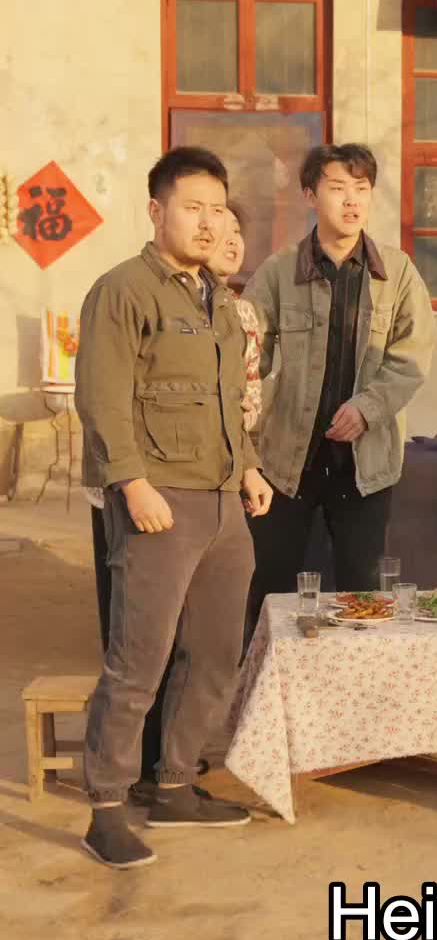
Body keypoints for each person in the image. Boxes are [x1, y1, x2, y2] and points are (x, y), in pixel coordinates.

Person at [75, 151, 274, 870]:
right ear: (157, 211)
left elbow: (227, 401)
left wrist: (248, 469)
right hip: (158, 500)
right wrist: (131, 485)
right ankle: (105, 808)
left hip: (222, 501)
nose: (208, 222)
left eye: (217, 209)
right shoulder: (123, 291)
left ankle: (176, 784)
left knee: (216, 653)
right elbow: (101, 398)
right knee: (139, 660)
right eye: (193, 207)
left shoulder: (217, 298)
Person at [243, 142, 436, 631]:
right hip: (287, 459)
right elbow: (246, 359)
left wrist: (368, 408)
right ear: (311, 195)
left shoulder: (397, 273)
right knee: (271, 586)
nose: (352, 201)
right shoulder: (279, 271)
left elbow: (412, 356)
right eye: (337, 188)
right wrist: (246, 440)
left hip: (365, 463)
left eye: (361, 189)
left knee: (362, 592)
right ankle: (263, 673)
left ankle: (358, 678)